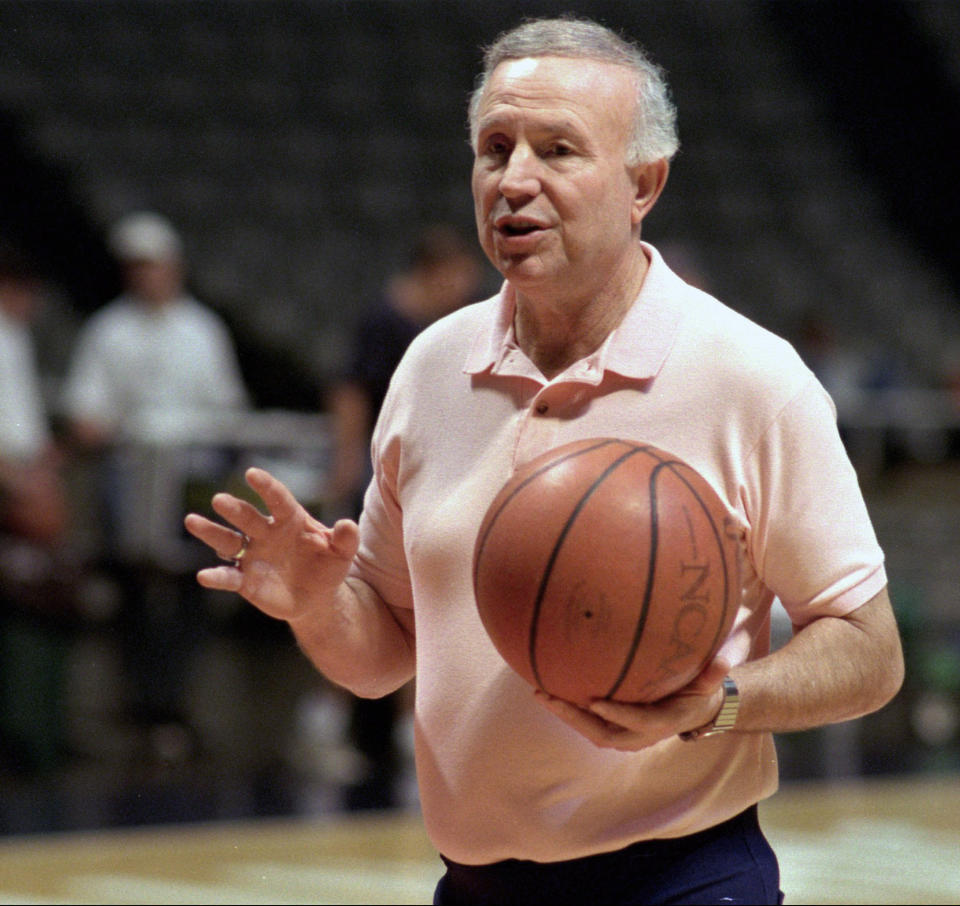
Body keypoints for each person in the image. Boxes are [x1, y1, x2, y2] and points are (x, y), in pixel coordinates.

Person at [185, 17, 904, 905]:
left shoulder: (751, 378)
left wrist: (716, 702)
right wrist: (319, 604)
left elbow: (870, 654)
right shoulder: (431, 366)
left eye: (557, 149)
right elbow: (381, 657)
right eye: (495, 148)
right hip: (475, 885)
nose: (513, 180)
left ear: (644, 182)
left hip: (684, 878)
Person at [62, 211, 249, 761]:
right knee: (137, 590)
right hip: (133, 475)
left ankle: (175, 705)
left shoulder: (202, 330)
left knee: (198, 585)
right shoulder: (108, 331)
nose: (147, 276)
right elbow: (85, 413)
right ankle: (142, 705)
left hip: (190, 473)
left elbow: (228, 409)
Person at [324, 223, 483, 810]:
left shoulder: (447, 326)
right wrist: (346, 463)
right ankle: (336, 723)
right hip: (380, 471)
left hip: (428, 471)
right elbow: (349, 393)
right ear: (434, 270)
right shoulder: (385, 319)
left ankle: (398, 727)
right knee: (364, 594)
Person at [0, 241, 74, 773]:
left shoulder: (15, 336)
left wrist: (43, 466)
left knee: (38, 600)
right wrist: (22, 486)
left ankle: (32, 737)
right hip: (9, 491)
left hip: (22, 480)